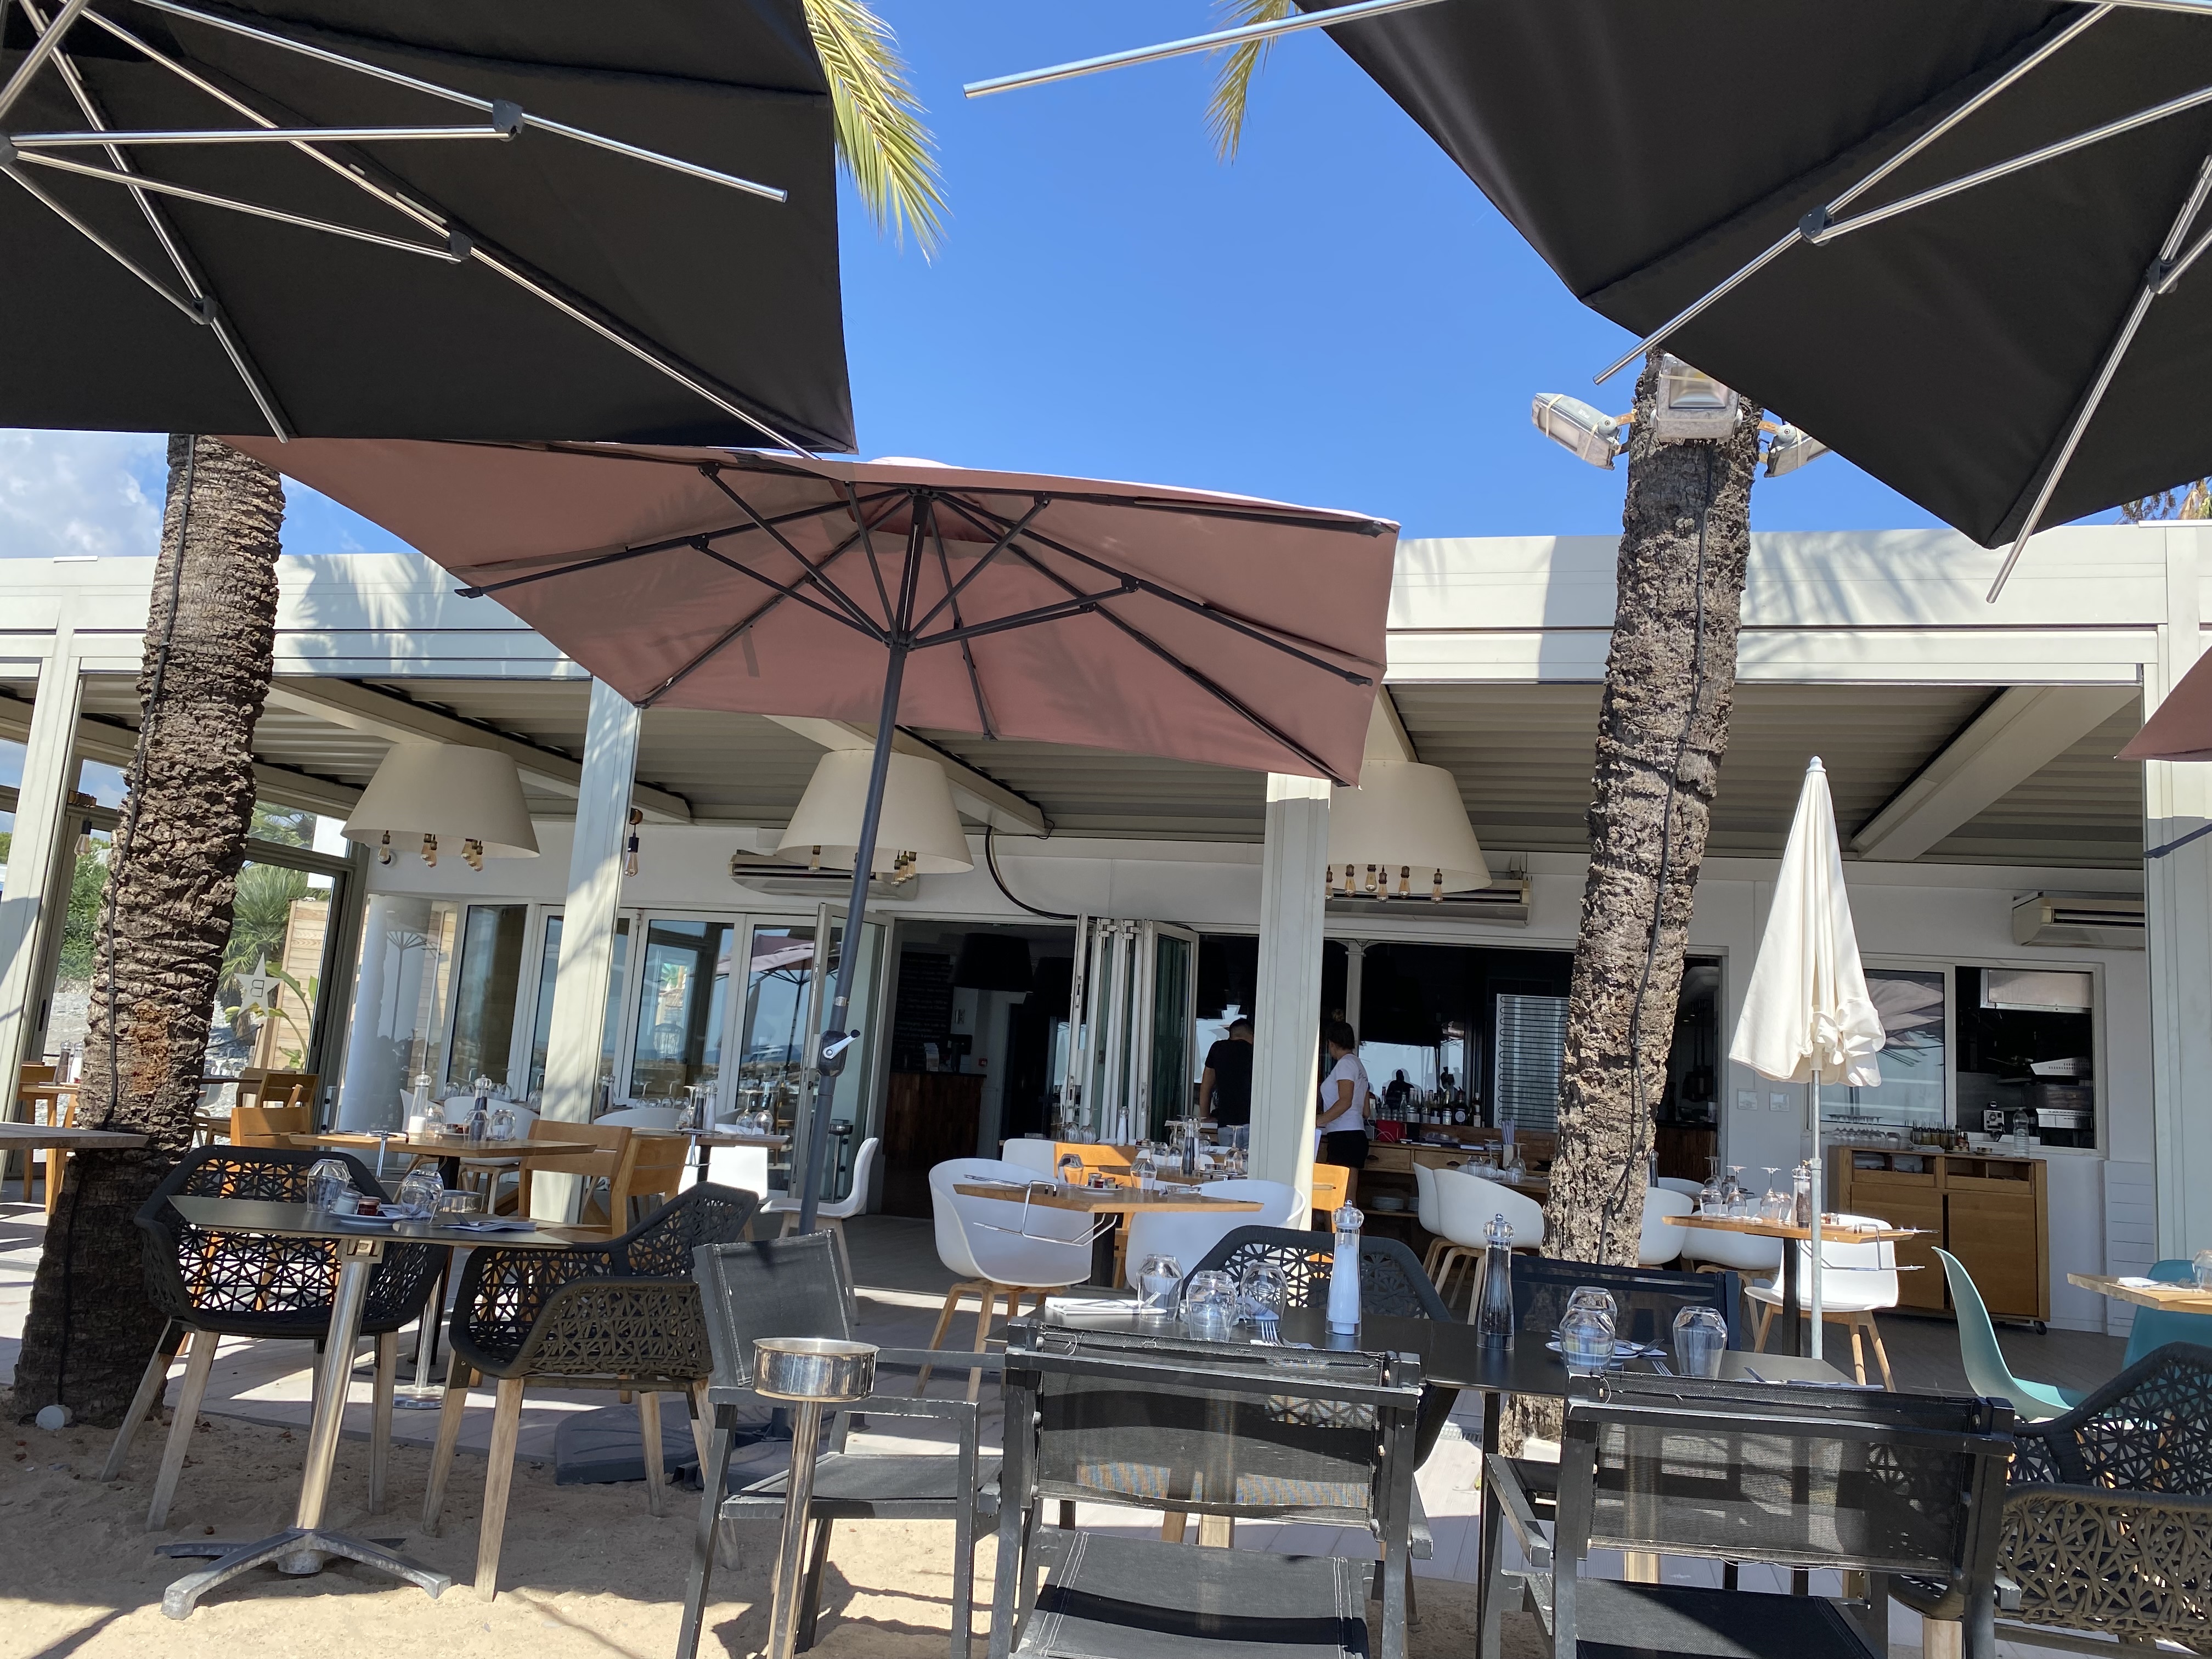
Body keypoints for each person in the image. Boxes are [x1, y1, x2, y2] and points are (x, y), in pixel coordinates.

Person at [1316, 1019, 1370, 1176]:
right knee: (1348, 1191)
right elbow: (1366, 1112)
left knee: (1338, 1189)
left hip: (1344, 1135)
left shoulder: (1345, 1064)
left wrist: (1318, 1121)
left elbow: (1346, 1101)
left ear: (1331, 1044)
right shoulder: (1359, 1065)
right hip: (1357, 1135)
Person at [1197, 1017, 1254, 1127]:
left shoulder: (1218, 1049)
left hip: (1225, 1123)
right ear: (1253, 1036)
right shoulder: (1256, 1051)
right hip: (1251, 1123)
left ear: (1231, 1036)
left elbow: (1206, 1087)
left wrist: (1206, 1117)